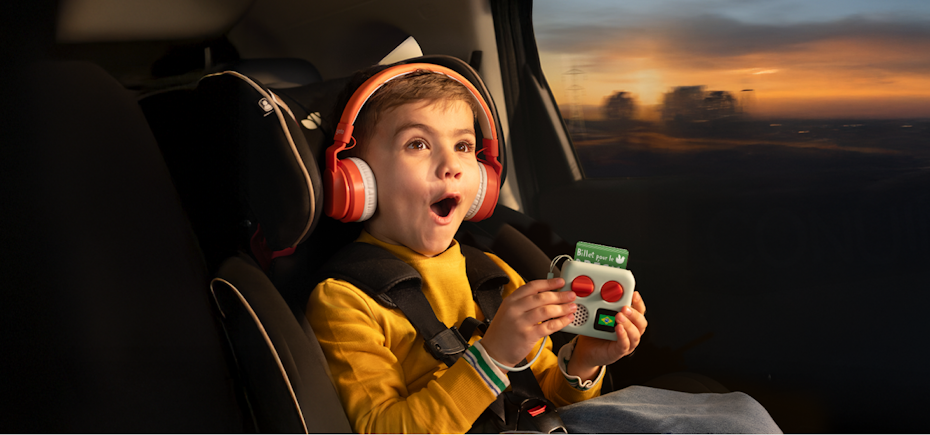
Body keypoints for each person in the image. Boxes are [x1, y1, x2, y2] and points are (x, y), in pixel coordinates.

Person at [306, 64, 781, 434]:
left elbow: (545, 395)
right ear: (358, 179)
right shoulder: (344, 299)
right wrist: (491, 359)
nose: (451, 165)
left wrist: (585, 361)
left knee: (739, 416)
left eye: (465, 147)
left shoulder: (492, 273)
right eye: (417, 144)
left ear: (483, 180)